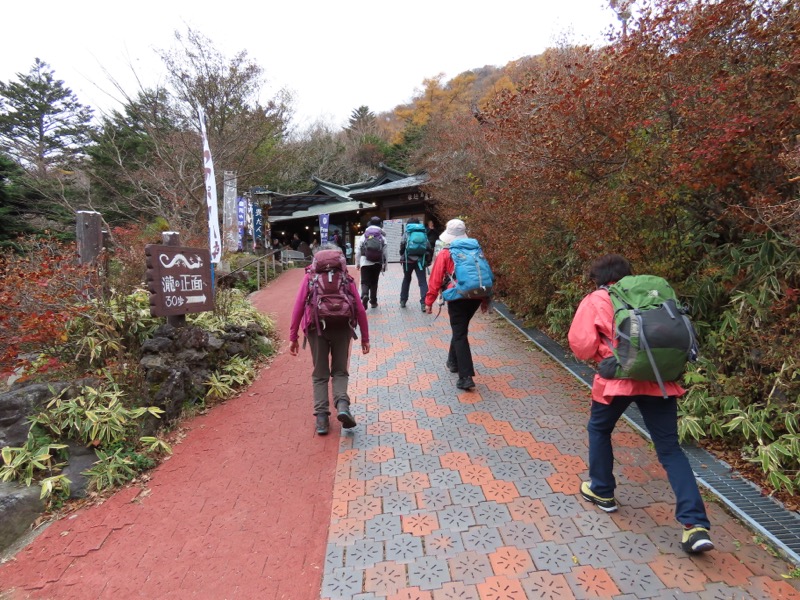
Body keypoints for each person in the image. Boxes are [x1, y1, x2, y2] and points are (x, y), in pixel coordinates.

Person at [567, 253, 714, 554]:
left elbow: (581, 346)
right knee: (670, 448)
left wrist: (606, 356)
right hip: (660, 379)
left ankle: (602, 491)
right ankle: (695, 525)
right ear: (628, 274)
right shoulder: (654, 295)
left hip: (616, 381)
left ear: (599, 278)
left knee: (599, 430)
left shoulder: (598, 299)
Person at [288, 243, 370, 435]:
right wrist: (365, 337)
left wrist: (293, 336)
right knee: (340, 371)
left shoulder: (310, 277)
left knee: (320, 373)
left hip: (316, 328)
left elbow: (299, 306)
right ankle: (342, 405)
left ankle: (322, 419)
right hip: (343, 327)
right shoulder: (345, 278)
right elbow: (359, 308)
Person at [424, 219, 489, 391]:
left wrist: (429, 301)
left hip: (458, 296)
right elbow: (483, 275)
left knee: (460, 334)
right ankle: (453, 362)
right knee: (460, 329)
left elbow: (435, 279)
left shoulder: (446, 253)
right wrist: (485, 300)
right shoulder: (476, 250)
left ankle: (465, 377)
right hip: (475, 296)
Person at [355, 216, 387, 309]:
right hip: (377, 262)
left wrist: (357, 263)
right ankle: (373, 301)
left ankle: (365, 295)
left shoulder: (363, 236)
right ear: (380, 225)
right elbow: (385, 253)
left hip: (365, 261)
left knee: (364, 281)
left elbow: (357, 251)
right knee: (374, 282)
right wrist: (385, 265)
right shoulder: (382, 236)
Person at [399, 217, 431, 311]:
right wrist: (428, 261)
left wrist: (402, 255)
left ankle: (403, 300)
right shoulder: (423, 232)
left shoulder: (407, 232)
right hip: (420, 261)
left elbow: (402, 244)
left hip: (408, 261)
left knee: (407, 279)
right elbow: (428, 246)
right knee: (422, 281)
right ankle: (424, 303)